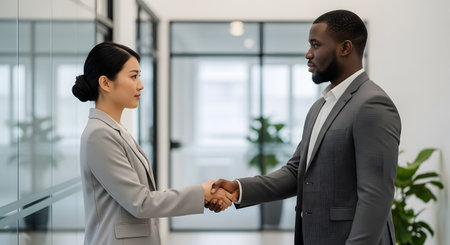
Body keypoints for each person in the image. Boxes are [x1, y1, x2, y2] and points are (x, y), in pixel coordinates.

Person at [206, 10, 401, 245]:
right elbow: (295, 172)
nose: (308, 54)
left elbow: (376, 197)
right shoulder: (320, 107)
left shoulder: (372, 104)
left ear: (345, 48)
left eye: (316, 45)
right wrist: (239, 189)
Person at [72, 42, 235, 245]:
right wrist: (201, 193)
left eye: (139, 76)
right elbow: (141, 202)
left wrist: (203, 195)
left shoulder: (114, 129)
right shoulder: (100, 135)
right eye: (133, 76)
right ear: (105, 83)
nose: (140, 85)